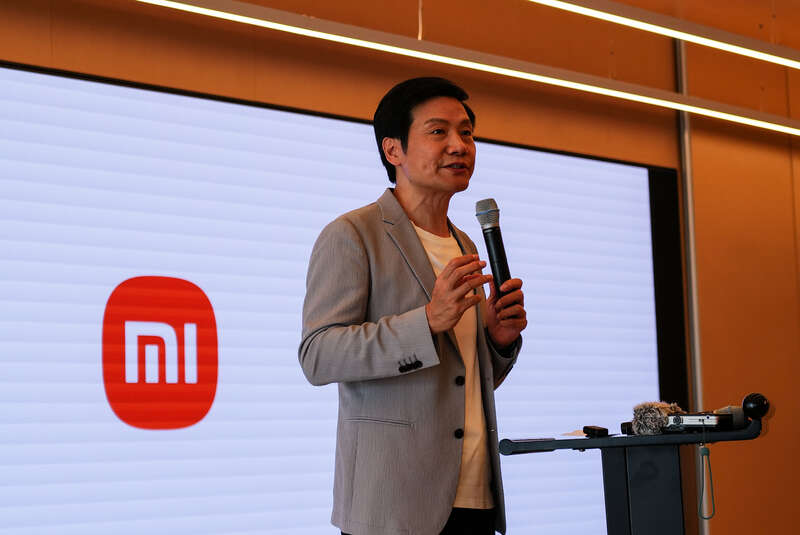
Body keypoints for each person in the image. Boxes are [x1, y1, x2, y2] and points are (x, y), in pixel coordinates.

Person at [299, 77, 528, 535]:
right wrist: (426, 322)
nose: (459, 145)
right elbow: (318, 355)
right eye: (438, 131)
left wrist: (497, 343)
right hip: (394, 506)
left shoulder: (465, 244)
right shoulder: (353, 234)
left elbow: (459, 379)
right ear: (393, 150)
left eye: (467, 133)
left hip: (474, 497)